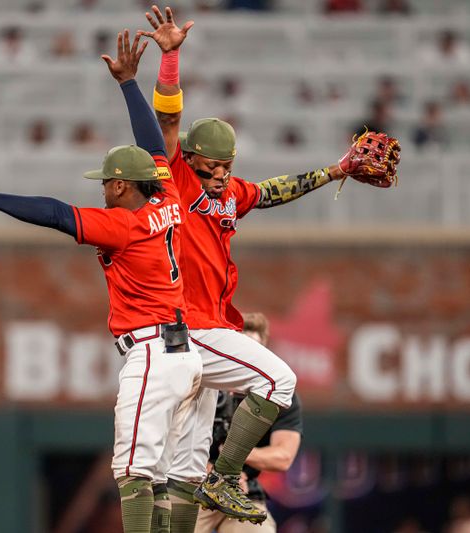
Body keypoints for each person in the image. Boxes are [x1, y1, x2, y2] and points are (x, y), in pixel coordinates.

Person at [137, 5, 388, 528]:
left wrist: (337, 169)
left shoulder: (232, 194)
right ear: (193, 161)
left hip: (209, 326)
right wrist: (170, 59)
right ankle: (225, 475)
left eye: (228, 167)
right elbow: (167, 120)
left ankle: (207, 486)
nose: (222, 176)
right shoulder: (178, 180)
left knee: (184, 462)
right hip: (191, 324)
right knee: (280, 380)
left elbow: (276, 190)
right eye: (213, 167)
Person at [0, 31, 203, 533]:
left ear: (120, 185)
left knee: (133, 472)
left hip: (153, 353)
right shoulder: (168, 200)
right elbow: (154, 144)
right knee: (160, 477)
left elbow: (54, 213)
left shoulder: (125, 223)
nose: (104, 190)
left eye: (107, 182)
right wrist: (130, 85)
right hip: (185, 355)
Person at [195, 312, 303, 533]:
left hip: (242, 491)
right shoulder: (202, 382)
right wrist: (207, 470)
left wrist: (232, 461)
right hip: (191, 484)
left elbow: (283, 457)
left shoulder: (279, 393)